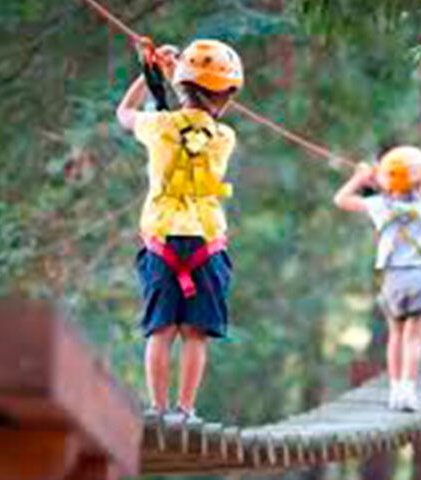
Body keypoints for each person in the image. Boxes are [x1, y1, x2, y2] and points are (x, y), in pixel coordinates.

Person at [116, 38, 244, 420]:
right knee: (195, 334)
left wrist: (149, 71)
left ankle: (157, 407)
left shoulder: (158, 126)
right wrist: (174, 75)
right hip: (207, 244)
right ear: (227, 96)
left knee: (161, 332)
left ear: (185, 85)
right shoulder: (224, 138)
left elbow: (125, 111)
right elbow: (200, 117)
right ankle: (185, 410)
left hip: (162, 243)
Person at [333, 146, 421, 411]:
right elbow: (412, 184)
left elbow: (341, 199)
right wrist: (384, 176)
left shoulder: (378, 206)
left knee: (396, 336)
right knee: (414, 338)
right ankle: (408, 391)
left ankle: (394, 392)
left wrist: (360, 177)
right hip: (420, 275)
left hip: (393, 278)